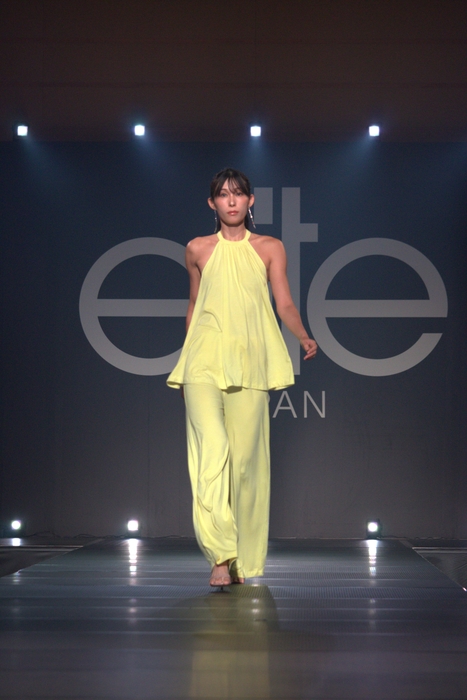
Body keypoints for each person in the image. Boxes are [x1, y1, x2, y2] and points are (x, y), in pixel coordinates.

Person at [167, 168, 317, 588]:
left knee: (247, 465)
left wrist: (302, 335)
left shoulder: (270, 247)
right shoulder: (197, 248)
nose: (231, 201)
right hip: (202, 362)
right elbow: (194, 305)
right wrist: (185, 362)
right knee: (211, 452)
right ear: (212, 203)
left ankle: (242, 560)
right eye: (222, 194)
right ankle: (221, 554)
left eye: (238, 194)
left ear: (251, 201)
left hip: (249, 363)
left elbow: (283, 302)